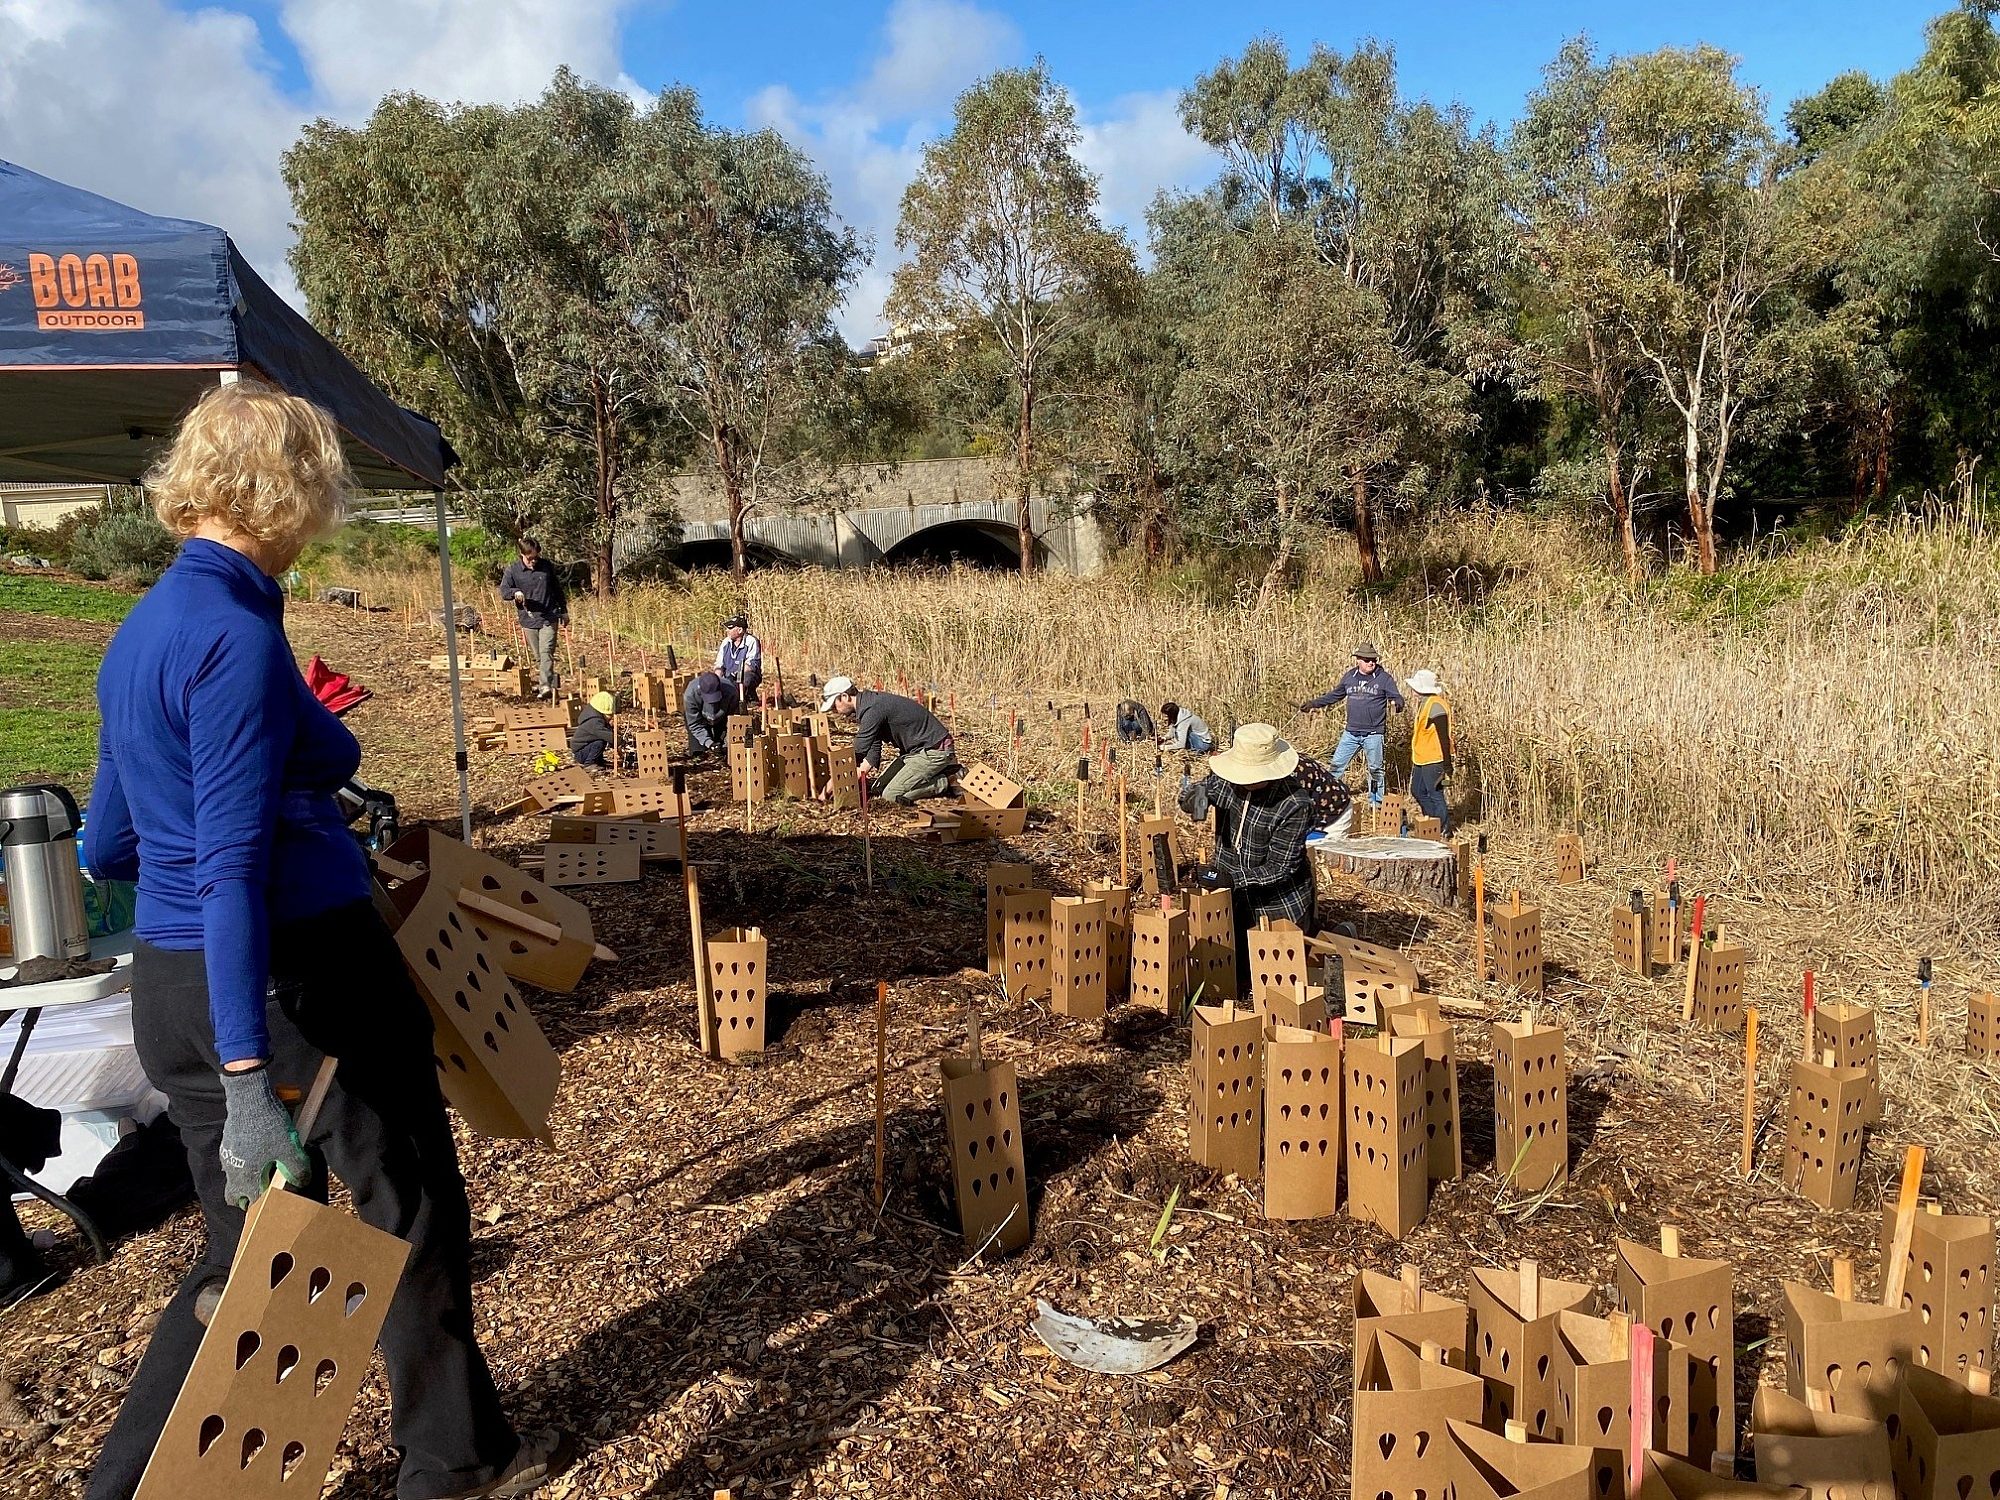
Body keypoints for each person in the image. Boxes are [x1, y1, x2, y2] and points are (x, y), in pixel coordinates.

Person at [82, 381, 568, 1500]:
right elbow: (229, 867)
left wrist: (287, 787)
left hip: (173, 985)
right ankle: (452, 1461)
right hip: (296, 982)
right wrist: (249, 1072)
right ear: (290, 491)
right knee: (407, 1202)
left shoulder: (142, 632)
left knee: (243, 1253)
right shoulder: (233, 639)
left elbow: (109, 842)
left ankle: (125, 1489)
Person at [1178, 725, 1317, 966]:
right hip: (1232, 898)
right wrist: (1196, 796)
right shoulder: (1225, 779)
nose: (1244, 781)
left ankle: (1323, 931)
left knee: (1272, 969)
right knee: (1225, 964)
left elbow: (1280, 868)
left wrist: (1232, 879)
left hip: (1275, 903)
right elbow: (1189, 795)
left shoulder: (1294, 804)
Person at [821, 674, 955, 805]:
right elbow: (872, 753)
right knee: (877, 789)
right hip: (915, 752)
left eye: (834, 705)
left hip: (935, 750)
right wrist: (851, 780)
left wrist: (829, 788)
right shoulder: (868, 706)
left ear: (845, 696)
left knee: (891, 796)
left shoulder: (872, 710)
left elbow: (857, 752)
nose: (834, 710)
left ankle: (947, 780)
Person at [1299, 641, 1404, 807]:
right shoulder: (1350, 677)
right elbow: (1335, 695)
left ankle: (1376, 802)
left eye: (1374, 660)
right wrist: (1314, 704)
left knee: (1375, 770)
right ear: (1358, 660)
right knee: (1336, 766)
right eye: (1367, 660)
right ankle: (1328, 797)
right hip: (1351, 733)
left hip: (1373, 734)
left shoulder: (1384, 678)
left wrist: (1397, 704)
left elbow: (1396, 697)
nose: (1371, 663)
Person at [498, 537, 568, 700]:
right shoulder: (513, 570)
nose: (534, 561)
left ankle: (545, 686)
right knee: (539, 656)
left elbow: (557, 589)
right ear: (522, 555)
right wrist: (515, 592)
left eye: (536, 557)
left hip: (549, 617)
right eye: (530, 558)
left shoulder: (546, 567)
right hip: (528, 619)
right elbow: (504, 591)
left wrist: (564, 611)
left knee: (546, 652)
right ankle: (546, 683)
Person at [1405, 668, 1453, 832]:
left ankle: (1443, 829)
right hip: (1421, 757)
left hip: (1434, 759)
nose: (1412, 690)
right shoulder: (1425, 703)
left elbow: (1443, 738)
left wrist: (1447, 764)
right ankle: (1431, 825)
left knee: (1435, 795)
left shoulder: (1436, 706)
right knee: (1417, 790)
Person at [683, 669, 739, 757]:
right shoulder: (691, 695)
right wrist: (709, 743)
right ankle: (699, 751)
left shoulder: (731, 692)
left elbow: (733, 721)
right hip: (701, 718)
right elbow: (695, 724)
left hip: (722, 717)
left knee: (725, 750)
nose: (712, 703)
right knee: (698, 753)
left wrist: (726, 742)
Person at [715, 613, 763, 702]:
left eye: (730, 628)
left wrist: (737, 677)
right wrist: (717, 680)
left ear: (740, 630)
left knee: (747, 677)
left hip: (746, 675)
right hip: (729, 677)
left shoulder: (751, 641)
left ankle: (747, 697)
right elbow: (719, 664)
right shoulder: (725, 642)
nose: (727, 630)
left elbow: (751, 664)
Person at [570, 690, 616, 770]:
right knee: (599, 742)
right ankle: (589, 763)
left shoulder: (596, 718)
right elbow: (606, 735)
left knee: (599, 740)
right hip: (581, 753)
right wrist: (619, 740)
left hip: (586, 747)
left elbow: (608, 731)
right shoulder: (594, 722)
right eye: (609, 715)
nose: (611, 717)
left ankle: (598, 760)